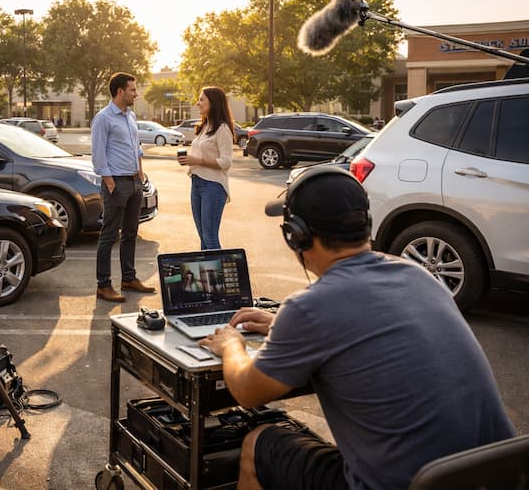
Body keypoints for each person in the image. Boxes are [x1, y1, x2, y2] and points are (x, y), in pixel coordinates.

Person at [199, 167, 515, 490]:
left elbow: (247, 391)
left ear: (296, 235)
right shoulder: (419, 276)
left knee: (258, 443)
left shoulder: (309, 308)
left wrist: (231, 345)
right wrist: (282, 326)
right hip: (491, 476)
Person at [91, 72, 156, 302]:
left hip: (134, 182)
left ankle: (128, 278)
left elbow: (136, 147)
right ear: (120, 91)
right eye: (132, 90)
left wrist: (140, 174)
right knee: (108, 236)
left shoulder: (130, 116)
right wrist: (109, 183)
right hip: (115, 184)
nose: (136, 94)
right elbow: (98, 155)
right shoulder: (103, 118)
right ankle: (103, 285)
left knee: (131, 233)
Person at [177, 86, 234, 250]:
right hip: (196, 184)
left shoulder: (222, 129)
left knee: (210, 238)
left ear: (213, 103)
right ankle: (207, 276)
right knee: (203, 237)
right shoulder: (204, 127)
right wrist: (190, 160)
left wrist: (198, 160)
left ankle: (219, 276)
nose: (197, 103)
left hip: (213, 186)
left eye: (202, 100)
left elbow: (226, 162)